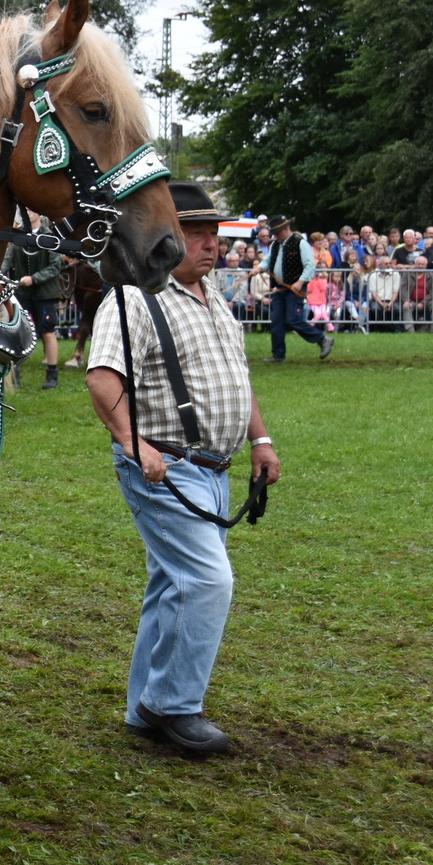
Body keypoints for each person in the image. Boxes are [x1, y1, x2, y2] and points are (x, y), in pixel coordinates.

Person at [86, 184, 279, 754]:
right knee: (207, 581)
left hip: (213, 469)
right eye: (196, 234)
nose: (210, 245)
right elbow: (102, 378)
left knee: (174, 584)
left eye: (214, 235)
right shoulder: (134, 298)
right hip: (165, 466)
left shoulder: (214, 296)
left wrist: (261, 440)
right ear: (165, 236)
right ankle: (172, 705)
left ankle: (144, 709)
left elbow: (237, 377)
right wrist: (134, 443)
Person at [259, 214, 333, 361]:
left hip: (295, 290)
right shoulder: (276, 244)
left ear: (286, 229)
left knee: (293, 320)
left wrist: (300, 282)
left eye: (277, 232)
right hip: (280, 289)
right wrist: (259, 267)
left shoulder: (300, 243)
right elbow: (268, 260)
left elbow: (309, 266)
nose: (275, 236)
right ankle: (278, 355)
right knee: (277, 321)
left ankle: (322, 339)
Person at [6, 213, 65, 388]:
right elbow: (8, 260)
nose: (28, 212)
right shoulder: (18, 235)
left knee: (48, 331)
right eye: (25, 210)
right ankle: (14, 373)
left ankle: (52, 374)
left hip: (45, 295)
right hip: (23, 294)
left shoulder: (50, 236)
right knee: (17, 331)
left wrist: (34, 279)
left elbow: (55, 266)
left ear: (38, 213)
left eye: (31, 209)